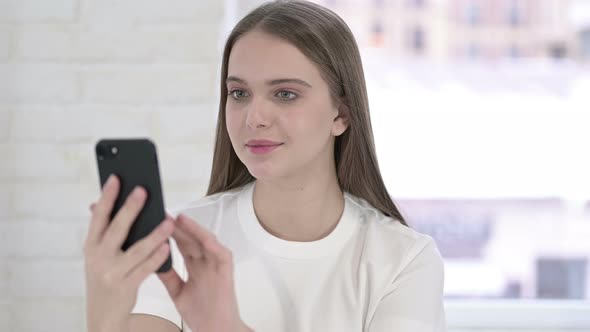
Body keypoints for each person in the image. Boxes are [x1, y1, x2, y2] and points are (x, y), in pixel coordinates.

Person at [83, 1, 446, 331]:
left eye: (285, 94)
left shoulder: (403, 261)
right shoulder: (179, 244)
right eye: (239, 93)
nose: (254, 117)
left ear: (342, 114)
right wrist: (105, 308)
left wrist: (222, 326)